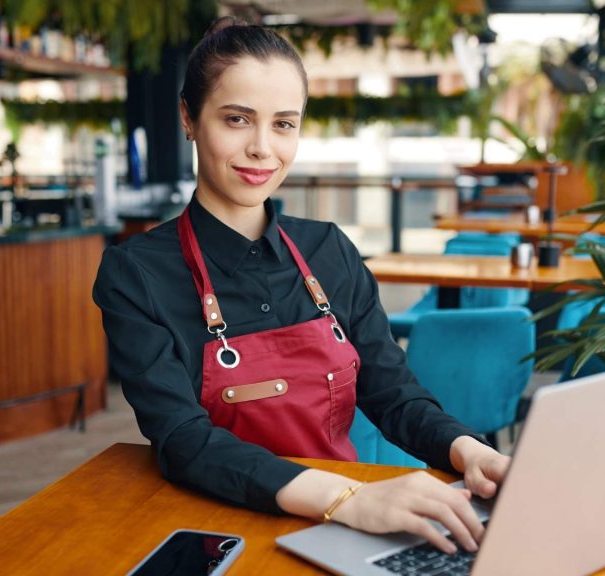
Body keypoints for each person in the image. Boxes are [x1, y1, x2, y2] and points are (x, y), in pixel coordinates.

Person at [93, 18, 510, 555]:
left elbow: (394, 395)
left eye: (284, 124)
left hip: (349, 531)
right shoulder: (136, 274)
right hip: (217, 531)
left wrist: (466, 450)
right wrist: (347, 498)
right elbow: (183, 441)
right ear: (189, 119)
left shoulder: (329, 250)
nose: (263, 148)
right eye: (237, 119)